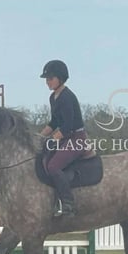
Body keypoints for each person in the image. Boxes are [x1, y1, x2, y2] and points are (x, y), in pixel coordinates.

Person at [39, 59, 89, 217]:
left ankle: (68, 204)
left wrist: (52, 140)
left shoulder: (67, 97)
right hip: (65, 137)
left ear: (60, 78)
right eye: (46, 79)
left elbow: (68, 126)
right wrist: (39, 137)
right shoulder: (53, 97)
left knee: (53, 166)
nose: (47, 82)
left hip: (76, 138)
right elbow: (54, 122)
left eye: (50, 78)